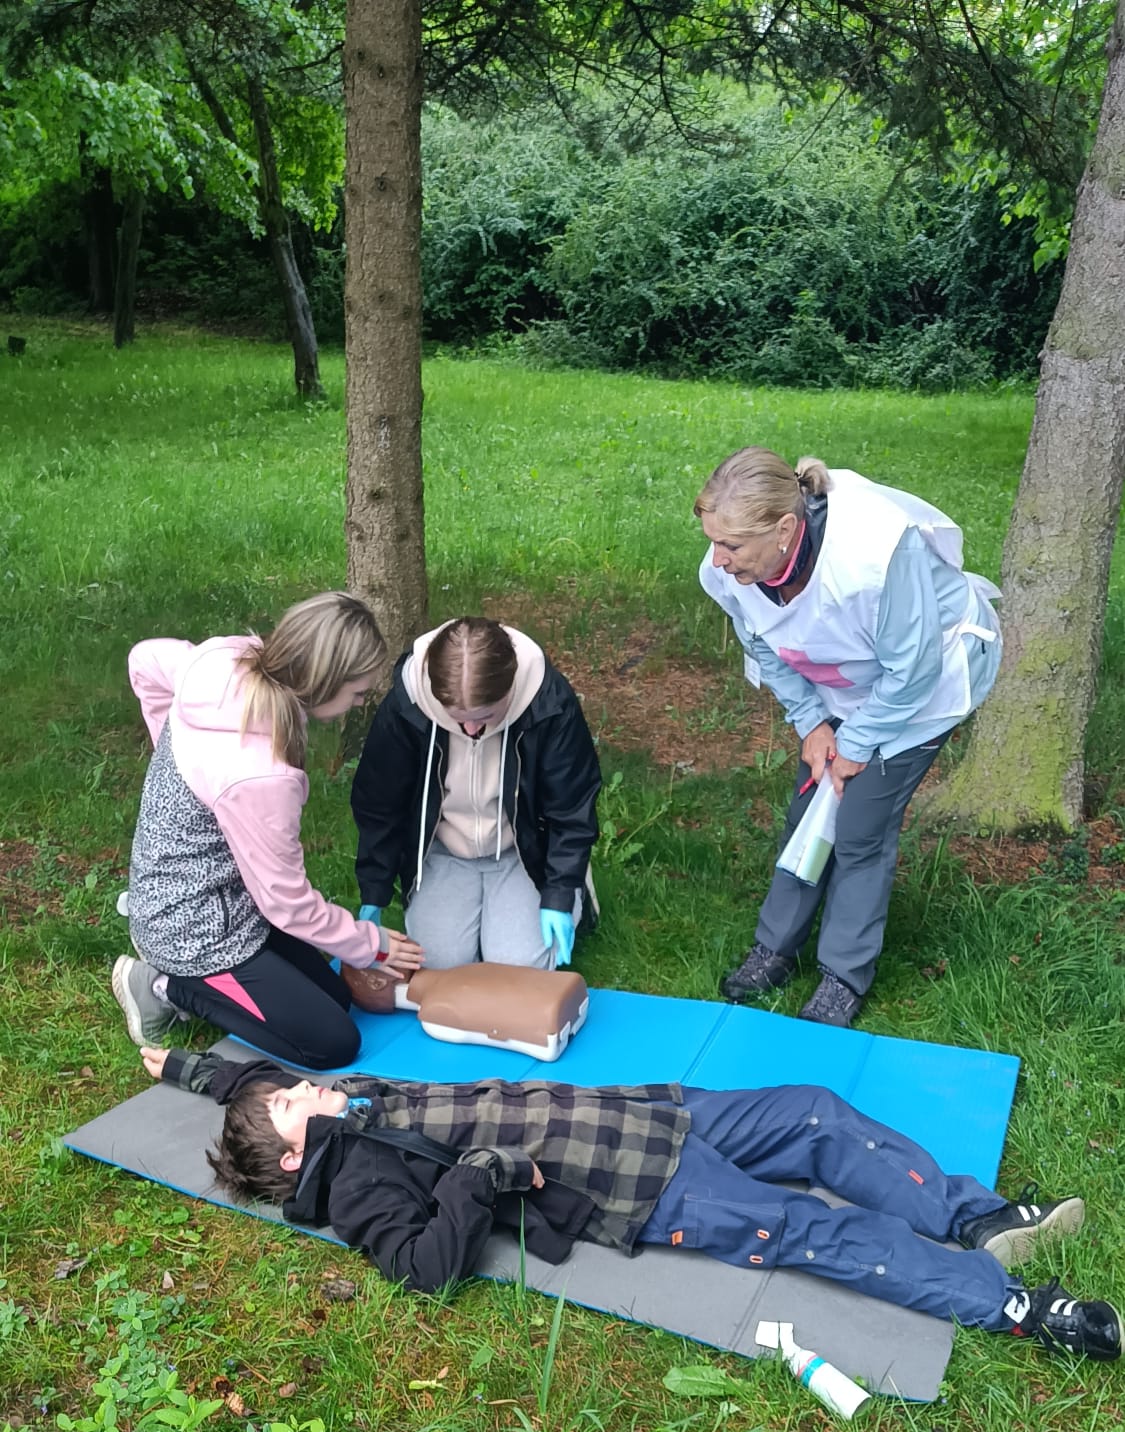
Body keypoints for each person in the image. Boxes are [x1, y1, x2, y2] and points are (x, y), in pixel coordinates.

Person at [140, 1041, 1120, 1361]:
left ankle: (980, 1217)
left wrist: (184, 1066)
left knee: (815, 1112)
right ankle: (1018, 1306)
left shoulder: (342, 1105)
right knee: (811, 1228)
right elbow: (418, 1267)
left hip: (646, 1111)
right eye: (294, 1100)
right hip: (635, 1182)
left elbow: (253, 1082)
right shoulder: (356, 1180)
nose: (307, 1084)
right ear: (298, 1150)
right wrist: (477, 1179)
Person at [696, 451, 1002, 1027]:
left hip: (926, 683)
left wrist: (856, 745)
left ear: (784, 529)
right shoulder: (731, 567)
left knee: (861, 824)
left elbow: (913, 671)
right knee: (812, 805)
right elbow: (763, 643)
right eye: (714, 542)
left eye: (731, 545)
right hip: (847, 675)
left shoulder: (874, 556)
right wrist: (812, 722)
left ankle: (843, 973)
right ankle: (776, 948)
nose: (718, 559)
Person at [111, 593, 423, 1072]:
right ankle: (164, 985)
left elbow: (144, 659)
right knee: (332, 1043)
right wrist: (370, 943)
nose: (361, 703)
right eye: (358, 693)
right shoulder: (262, 777)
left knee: (337, 999)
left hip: (231, 897)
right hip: (193, 931)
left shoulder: (222, 662)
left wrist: (171, 758)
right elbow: (286, 903)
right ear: (324, 681)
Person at [351, 617, 601, 972]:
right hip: (444, 849)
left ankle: (579, 892)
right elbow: (380, 804)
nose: (470, 729)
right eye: (457, 718)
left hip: (523, 849)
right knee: (439, 963)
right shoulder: (405, 706)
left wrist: (559, 894)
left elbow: (572, 806)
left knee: (519, 967)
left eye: (485, 716)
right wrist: (374, 892)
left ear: (510, 689)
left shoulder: (549, 701)